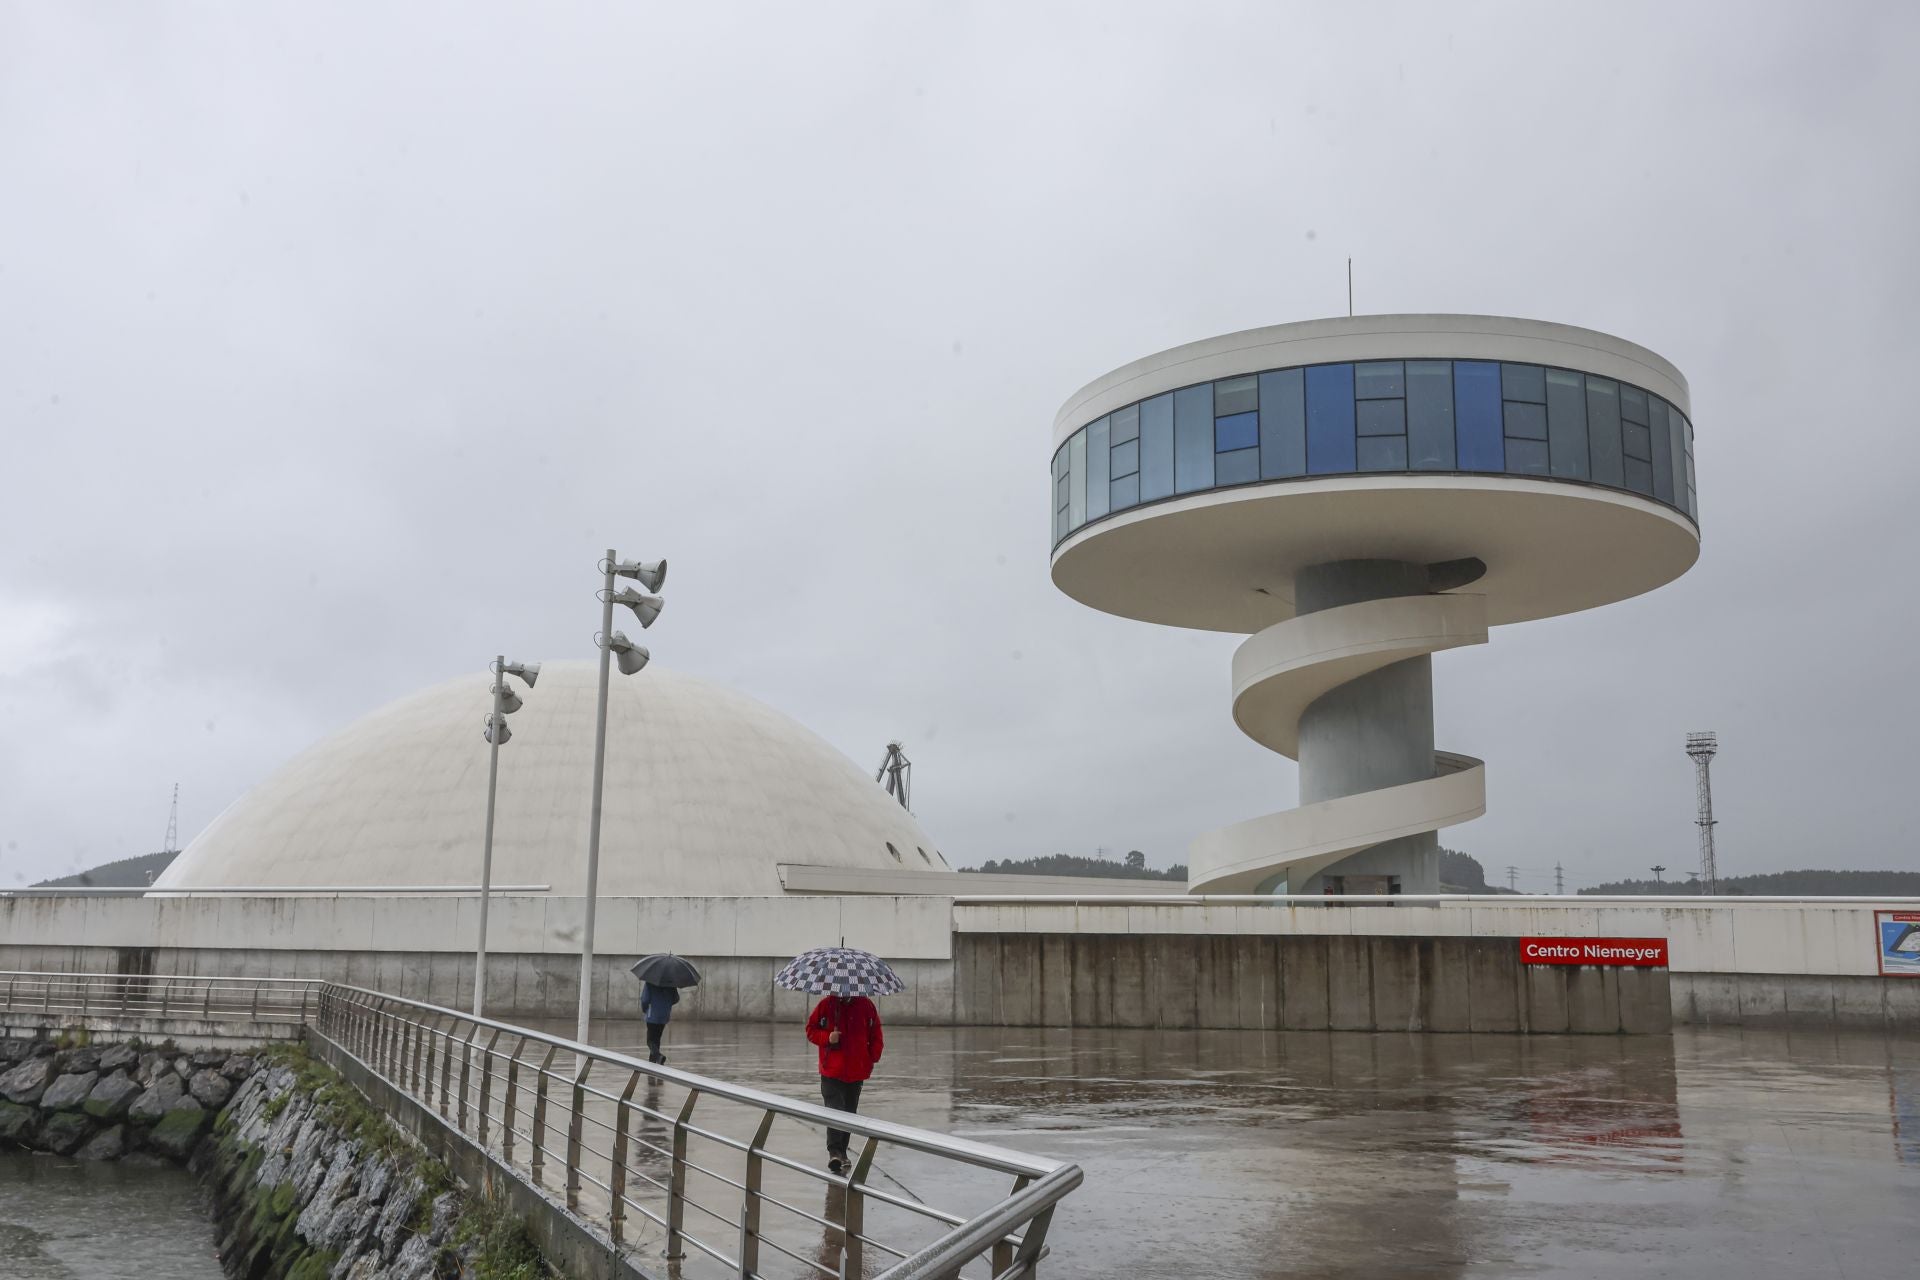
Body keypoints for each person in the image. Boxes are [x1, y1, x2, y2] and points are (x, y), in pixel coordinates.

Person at [805, 990, 883, 1173]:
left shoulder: (866, 1006)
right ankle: (835, 1152)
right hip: (831, 1071)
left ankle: (842, 1153)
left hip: (856, 1071)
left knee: (849, 1113)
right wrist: (827, 1038)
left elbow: (876, 1034)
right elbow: (811, 1030)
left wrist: (871, 1058)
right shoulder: (826, 1005)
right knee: (835, 1110)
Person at [640, 981, 679, 1064]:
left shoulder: (650, 982)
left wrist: (644, 1009)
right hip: (664, 1015)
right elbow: (676, 999)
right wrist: (666, 1004)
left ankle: (658, 1056)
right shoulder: (671, 984)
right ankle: (653, 1063)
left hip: (652, 1015)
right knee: (657, 1039)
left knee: (650, 1041)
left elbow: (644, 1000)